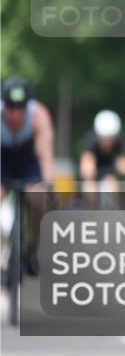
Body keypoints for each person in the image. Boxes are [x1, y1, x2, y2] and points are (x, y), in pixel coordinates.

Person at [1, 77, 55, 276]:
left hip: (28, 161)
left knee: (38, 197)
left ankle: (32, 248)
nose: (15, 114)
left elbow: (45, 155)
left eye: (20, 109)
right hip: (3, 160)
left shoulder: (39, 116)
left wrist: (48, 185)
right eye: (11, 108)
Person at [80, 109, 125, 197]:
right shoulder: (91, 140)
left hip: (110, 172)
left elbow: (124, 164)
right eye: (104, 139)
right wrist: (89, 173)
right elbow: (86, 164)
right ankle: (89, 210)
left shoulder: (119, 142)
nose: (107, 143)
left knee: (113, 186)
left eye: (110, 139)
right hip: (95, 173)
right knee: (89, 187)